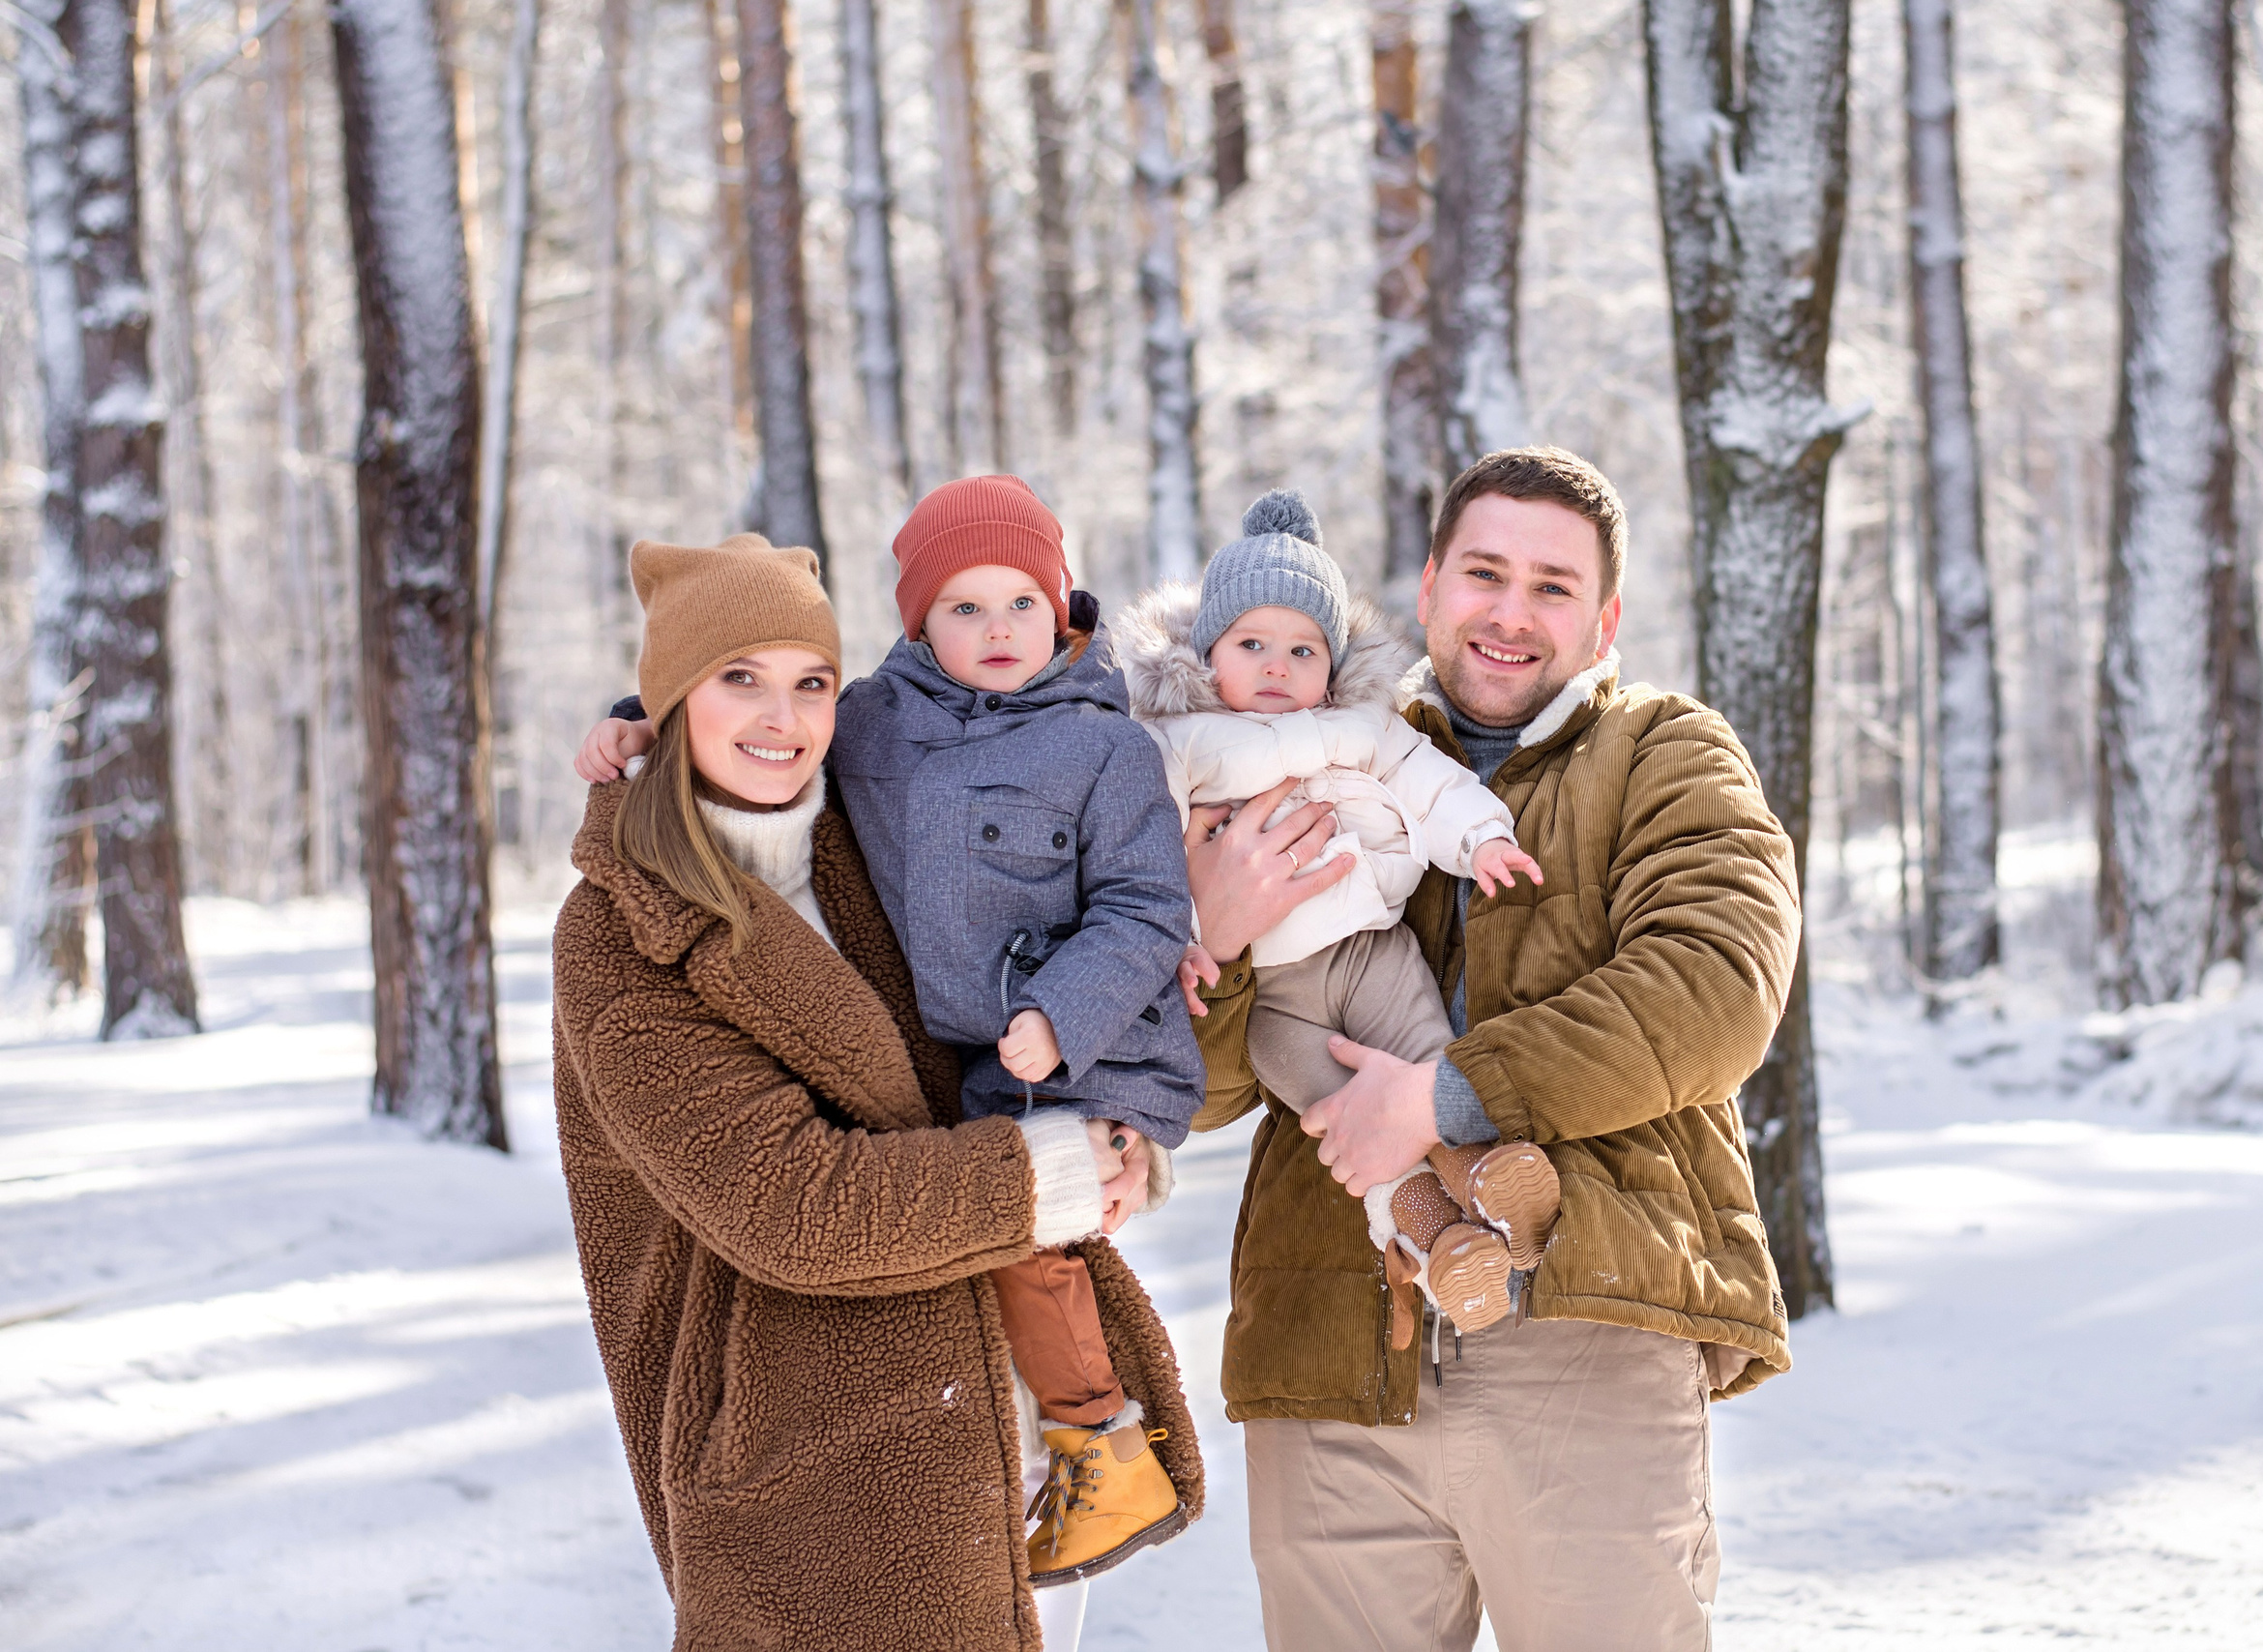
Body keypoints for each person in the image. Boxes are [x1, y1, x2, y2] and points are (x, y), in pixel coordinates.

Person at [1180, 448, 1803, 1652]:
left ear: (1605, 616)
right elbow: (1202, 1094)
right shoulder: (1304, 743)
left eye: (1554, 586)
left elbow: (1717, 986)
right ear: (1426, 589)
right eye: (1484, 573)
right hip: (1330, 1348)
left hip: (1587, 1322)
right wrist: (1216, 931)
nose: (1512, 613)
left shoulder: (1663, 754)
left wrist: (1449, 1095)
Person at [552, 533, 1197, 1651]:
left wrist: (1119, 1107)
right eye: (737, 679)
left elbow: (1034, 778)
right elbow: (789, 1205)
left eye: (809, 682)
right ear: (670, 704)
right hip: (810, 1487)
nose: (782, 717)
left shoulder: (867, 835)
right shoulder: (620, 931)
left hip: (1007, 1452)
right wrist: (1047, 1173)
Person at [1118, 487, 1559, 1346]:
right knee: (1348, 1121)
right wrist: (1181, 935)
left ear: (1333, 663)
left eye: (1302, 649)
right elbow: (1138, 847)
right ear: (1210, 655)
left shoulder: (1358, 726)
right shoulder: (1178, 740)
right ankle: (1437, 1245)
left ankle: (1489, 1179)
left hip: (1370, 949)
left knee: (1429, 1058)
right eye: (1253, 645)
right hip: (1275, 997)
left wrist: (1482, 838)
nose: (1278, 666)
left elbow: (1428, 778)